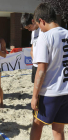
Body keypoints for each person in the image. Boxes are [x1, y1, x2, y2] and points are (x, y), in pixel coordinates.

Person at [30, 3, 68, 140]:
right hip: (66, 91)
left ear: (42, 20)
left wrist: (34, 96)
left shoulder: (45, 37)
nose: (39, 28)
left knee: (36, 124)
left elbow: (41, 69)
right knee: (58, 130)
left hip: (50, 92)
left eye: (38, 24)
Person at [21, 13, 42, 83]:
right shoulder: (33, 32)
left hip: (42, 65)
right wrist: (32, 54)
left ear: (33, 21)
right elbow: (33, 47)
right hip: (35, 65)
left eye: (29, 27)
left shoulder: (43, 30)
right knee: (35, 86)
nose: (29, 30)